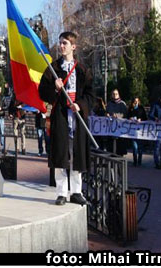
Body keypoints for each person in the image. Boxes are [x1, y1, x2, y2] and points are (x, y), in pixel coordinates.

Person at [39, 31, 95, 206]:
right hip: (61, 117)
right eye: (60, 43)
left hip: (77, 117)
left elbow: (91, 94)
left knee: (77, 154)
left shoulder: (82, 70)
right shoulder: (53, 69)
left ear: (73, 46)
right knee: (61, 153)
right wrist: (55, 89)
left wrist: (80, 104)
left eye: (65, 43)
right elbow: (42, 92)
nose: (62, 46)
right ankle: (62, 192)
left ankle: (76, 192)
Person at [106, 89, 127, 156]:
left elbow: (125, 114)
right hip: (111, 128)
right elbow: (106, 111)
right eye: (113, 94)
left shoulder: (122, 103)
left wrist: (117, 115)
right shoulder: (109, 104)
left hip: (120, 128)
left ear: (118, 95)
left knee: (120, 147)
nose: (115, 95)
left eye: (116, 94)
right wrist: (107, 114)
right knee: (110, 146)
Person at [128, 97, 148, 167]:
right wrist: (130, 118)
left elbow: (145, 118)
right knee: (134, 147)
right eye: (134, 101)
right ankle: (135, 161)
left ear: (139, 101)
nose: (136, 103)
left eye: (137, 101)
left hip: (140, 130)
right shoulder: (130, 108)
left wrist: (140, 119)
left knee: (140, 147)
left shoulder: (141, 108)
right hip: (133, 130)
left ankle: (139, 161)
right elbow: (127, 117)